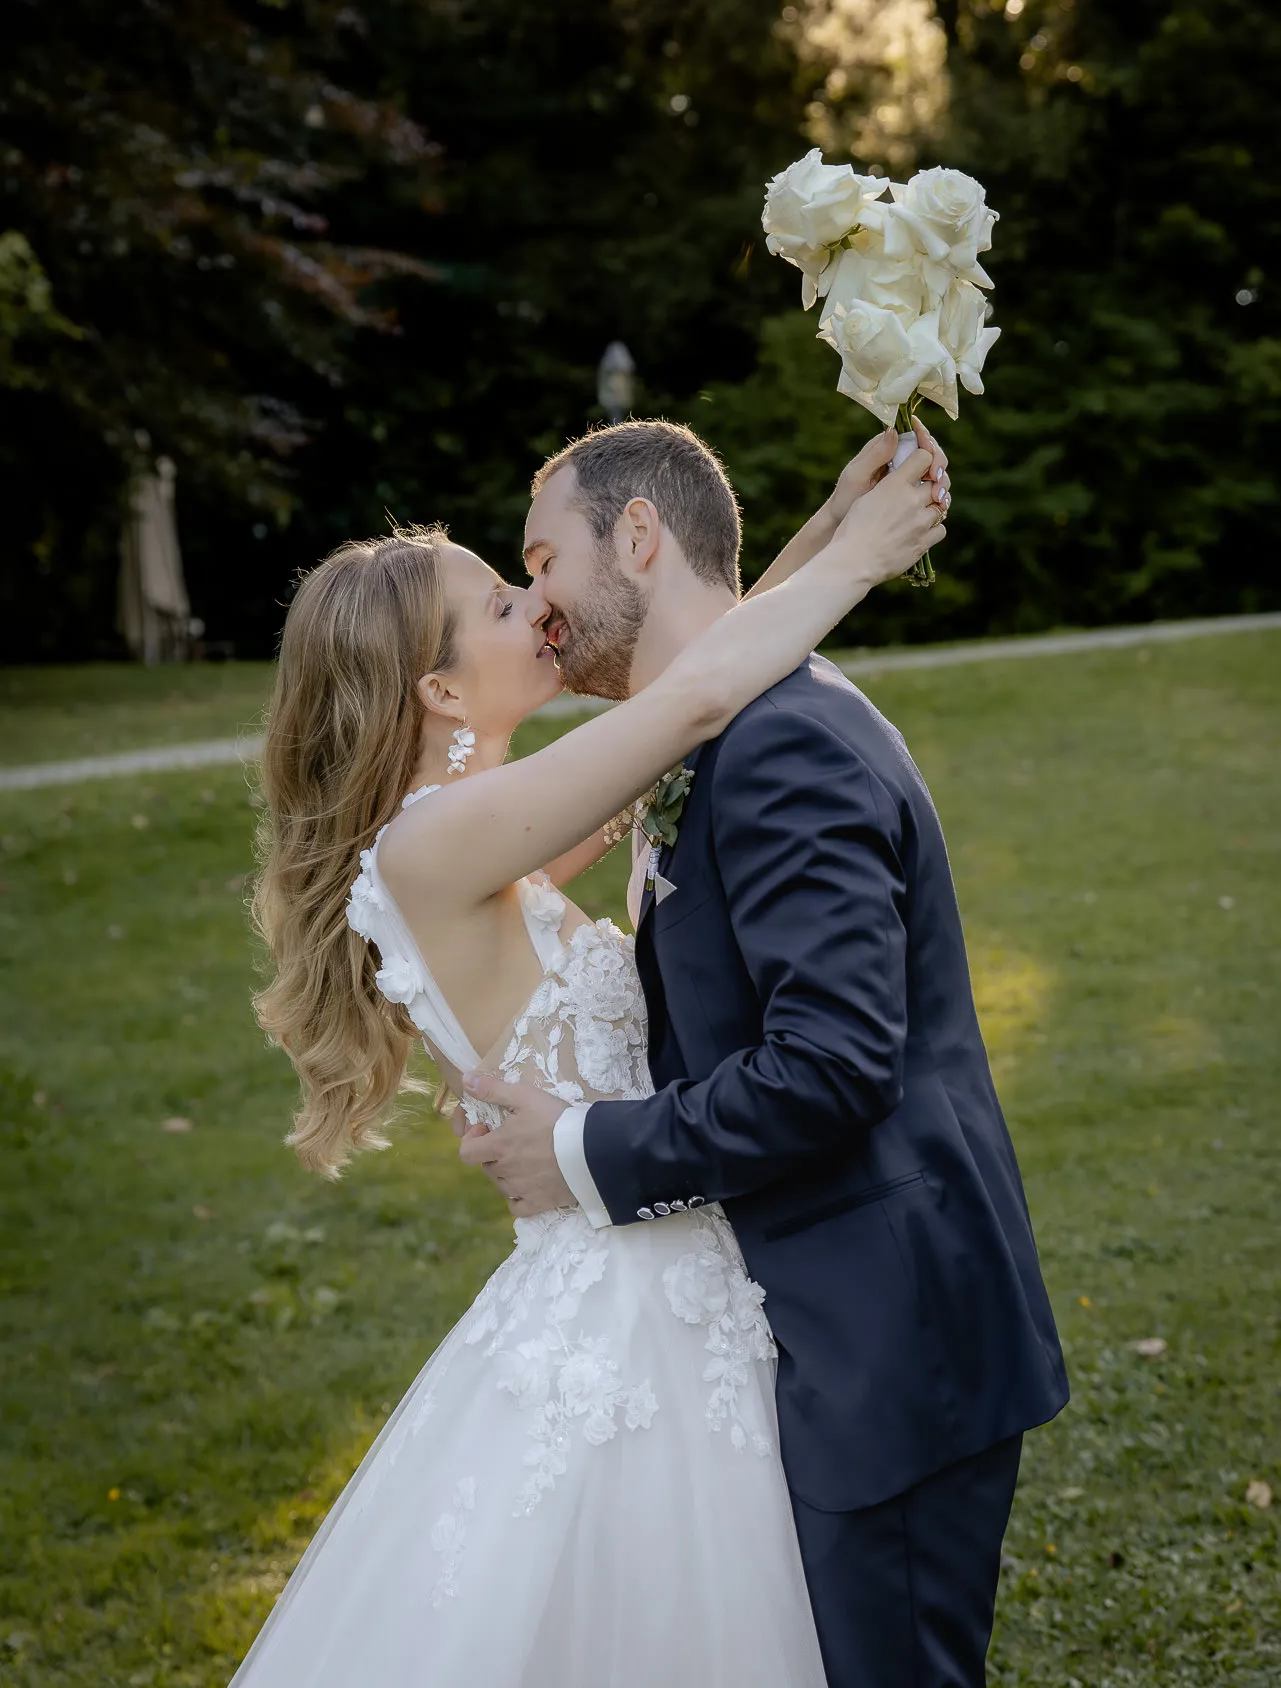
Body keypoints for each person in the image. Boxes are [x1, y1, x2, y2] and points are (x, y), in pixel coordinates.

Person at [232, 422, 946, 1687]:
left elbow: (687, 677)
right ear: (441, 691)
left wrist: (829, 523)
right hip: (628, 1306)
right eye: (506, 602)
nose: (542, 609)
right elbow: (694, 700)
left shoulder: (476, 830)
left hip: (668, 1261)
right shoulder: (439, 843)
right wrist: (863, 564)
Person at [459, 417, 1070, 1688]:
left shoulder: (777, 741)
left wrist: (574, 1151)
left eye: (542, 559)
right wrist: (836, 539)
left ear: (637, 533)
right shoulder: (714, 727)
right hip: (810, 1313)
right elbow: (708, 660)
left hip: (883, 1336)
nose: (540, 604)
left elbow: (833, 1064)